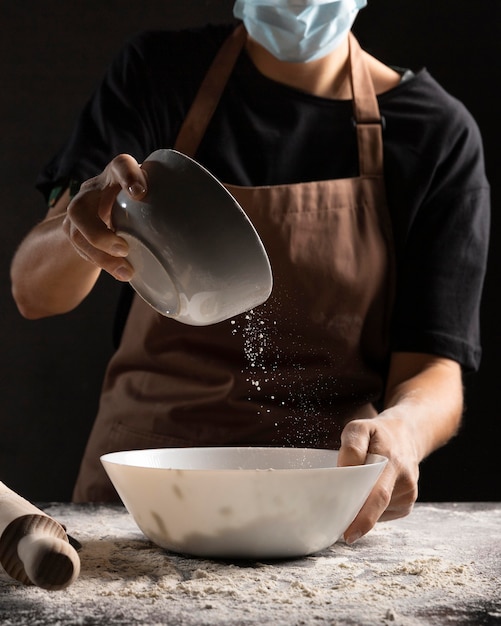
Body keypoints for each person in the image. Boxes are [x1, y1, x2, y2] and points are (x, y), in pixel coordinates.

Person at [10, 0, 490, 545]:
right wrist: (82, 228)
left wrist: (405, 429)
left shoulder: (435, 133)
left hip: (321, 501)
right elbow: (33, 292)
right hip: (140, 499)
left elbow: (434, 368)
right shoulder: (159, 73)